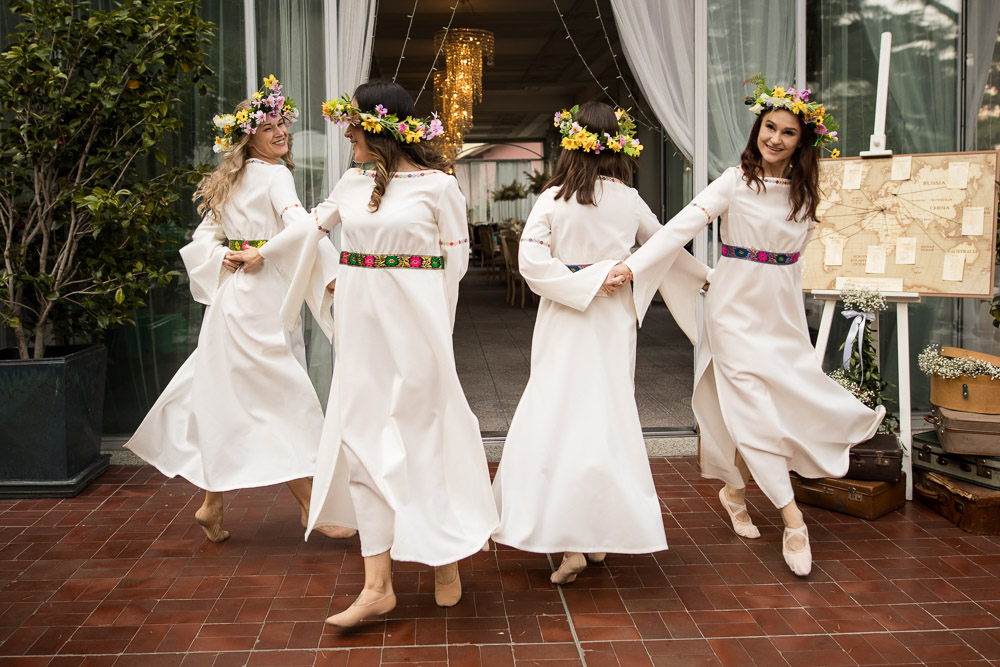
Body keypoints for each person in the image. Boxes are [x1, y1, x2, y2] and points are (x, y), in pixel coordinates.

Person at [613, 77, 885, 577]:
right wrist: (632, 267)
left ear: (803, 143)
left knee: (775, 401)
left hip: (781, 313)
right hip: (733, 310)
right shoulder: (733, 180)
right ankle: (792, 518)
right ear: (757, 129)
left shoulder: (806, 194)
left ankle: (734, 487)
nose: (775, 138)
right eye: (769, 127)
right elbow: (679, 229)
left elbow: (805, 262)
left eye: (788, 132)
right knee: (754, 411)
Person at [260, 80, 499, 627]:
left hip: (416, 327)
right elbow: (308, 228)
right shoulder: (350, 181)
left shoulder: (438, 187)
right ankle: (376, 586)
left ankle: (444, 559)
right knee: (362, 437)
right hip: (362, 328)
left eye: (353, 124)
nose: (346, 134)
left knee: (423, 439)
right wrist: (259, 255)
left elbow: (454, 266)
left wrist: (438, 330)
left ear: (377, 128)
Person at [126, 76, 356, 544]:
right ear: (248, 133)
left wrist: (233, 257)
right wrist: (265, 258)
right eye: (270, 126)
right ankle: (311, 505)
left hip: (235, 300)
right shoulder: (274, 175)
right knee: (279, 396)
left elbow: (205, 242)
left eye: (283, 125)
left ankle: (212, 505)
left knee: (230, 397)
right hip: (259, 300)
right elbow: (301, 227)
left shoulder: (233, 176)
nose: (281, 133)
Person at [491, 102, 710, 584]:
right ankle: (593, 535)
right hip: (611, 320)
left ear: (570, 144)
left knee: (556, 415)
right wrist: (703, 279)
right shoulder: (629, 199)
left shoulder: (551, 198)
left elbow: (530, 263)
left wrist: (583, 279)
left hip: (564, 316)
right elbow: (665, 246)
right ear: (619, 144)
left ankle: (571, 541)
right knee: (603, 419)